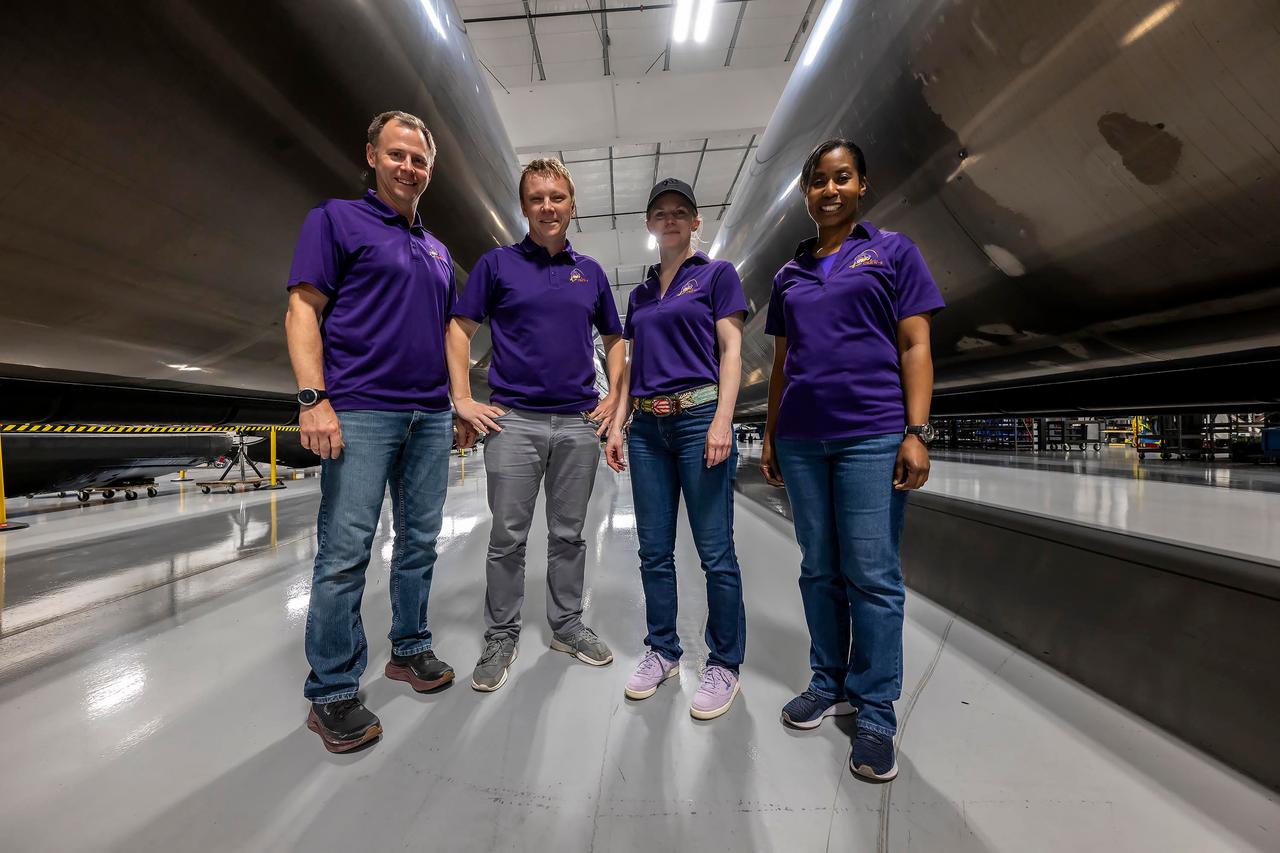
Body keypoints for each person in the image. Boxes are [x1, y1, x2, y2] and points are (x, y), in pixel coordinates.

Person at [760, 139, 945, 781]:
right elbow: (784, 364)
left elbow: (915, 344)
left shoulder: (892, 252)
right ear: (807, 193)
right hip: (804, 439)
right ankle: (827, 679)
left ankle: (874, 710)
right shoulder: (789, 275)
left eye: (842, 178)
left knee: (872, 571)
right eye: (818, 181)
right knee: (820, 567)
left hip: (871, 431)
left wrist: (915, 430)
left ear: (862, 184)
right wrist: (771, 433)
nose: (829, 190)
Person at [285, 110, 459, 753]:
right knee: (345, 553)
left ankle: (409, 650)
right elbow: (303, 307)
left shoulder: (438, 249)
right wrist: (313, 399)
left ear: (429, 169)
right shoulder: (335, 219)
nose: (409, 167)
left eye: (419, 159)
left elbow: (446, 336)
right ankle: (331, 691)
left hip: (429, 415)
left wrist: (453, 406)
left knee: (419, 543)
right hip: (360, 410)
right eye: (397, 155)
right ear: (372, 156)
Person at [446, 158, 625, 692]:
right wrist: (461, 398)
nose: (548, 206)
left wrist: (616, 397)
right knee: (507, 538)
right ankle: (501, 634)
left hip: (577, 423)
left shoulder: (589, 272)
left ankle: (567, 625)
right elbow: (459, 330)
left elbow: (616, 340)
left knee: (569, 535)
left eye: (558, 197)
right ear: (524, 207)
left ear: (572, 205)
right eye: (537, 198)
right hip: (514, 422)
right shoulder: (497, 265)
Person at [605, 178, 748, 720]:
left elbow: (731, 351)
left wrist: (722, 419)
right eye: (660, 212)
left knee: (715, 552)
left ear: (695, 222)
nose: (670, 219)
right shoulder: (639, 295)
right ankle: (663, 650)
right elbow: (632, 370)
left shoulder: (716, 275)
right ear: (649, 224)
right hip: (647, 429)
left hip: (697, 420)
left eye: (680, 212)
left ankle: (725, 663)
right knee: (653, 550)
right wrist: (618, 424)